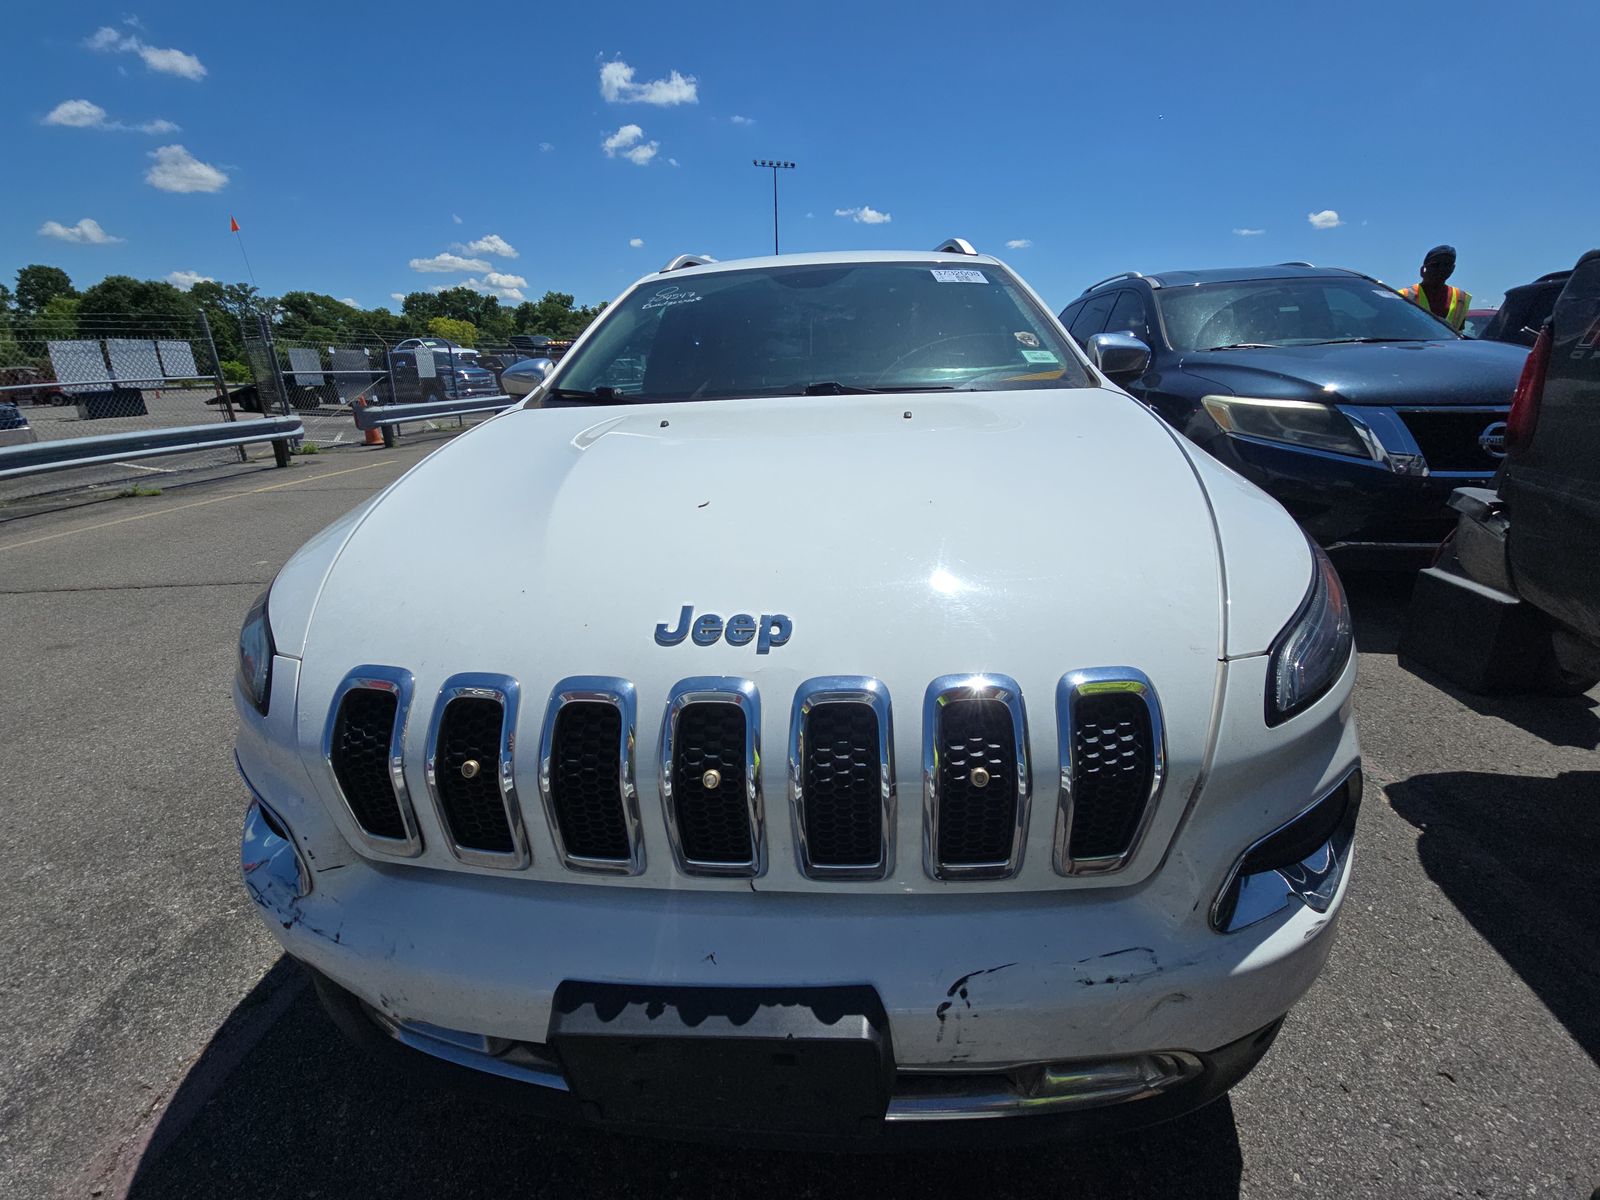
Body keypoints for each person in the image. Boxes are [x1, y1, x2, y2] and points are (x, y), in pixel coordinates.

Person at [1398, 245, 1472, 332]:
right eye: (1435, 265)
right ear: (1423, 269)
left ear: (1452, 269)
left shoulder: (1462, 298)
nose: (1441, 269)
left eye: (1447, 265)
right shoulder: (1403, 296)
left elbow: (1459, 331)